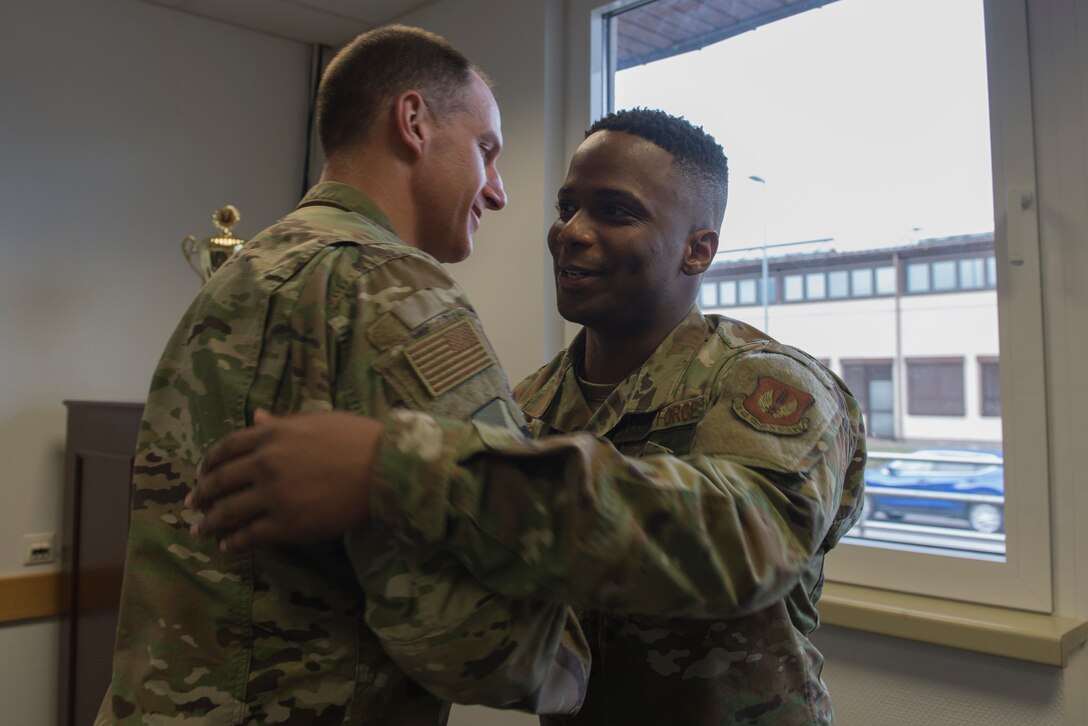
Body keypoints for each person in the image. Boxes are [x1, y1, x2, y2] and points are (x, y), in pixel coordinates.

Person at [191, 108, 867, 724]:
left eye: (614, 211)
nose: (571, 232)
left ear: (698, 250)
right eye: (567, 206)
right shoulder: (528, 404)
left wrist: (391, 464)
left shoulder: (765, 382)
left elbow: (744, 540)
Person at [97, 25, 591, 725]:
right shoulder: (390, 286)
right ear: (414, 122)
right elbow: (473, 641)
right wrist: (581, 662)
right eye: (487, 151)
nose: (499, 192)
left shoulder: (243, 273)